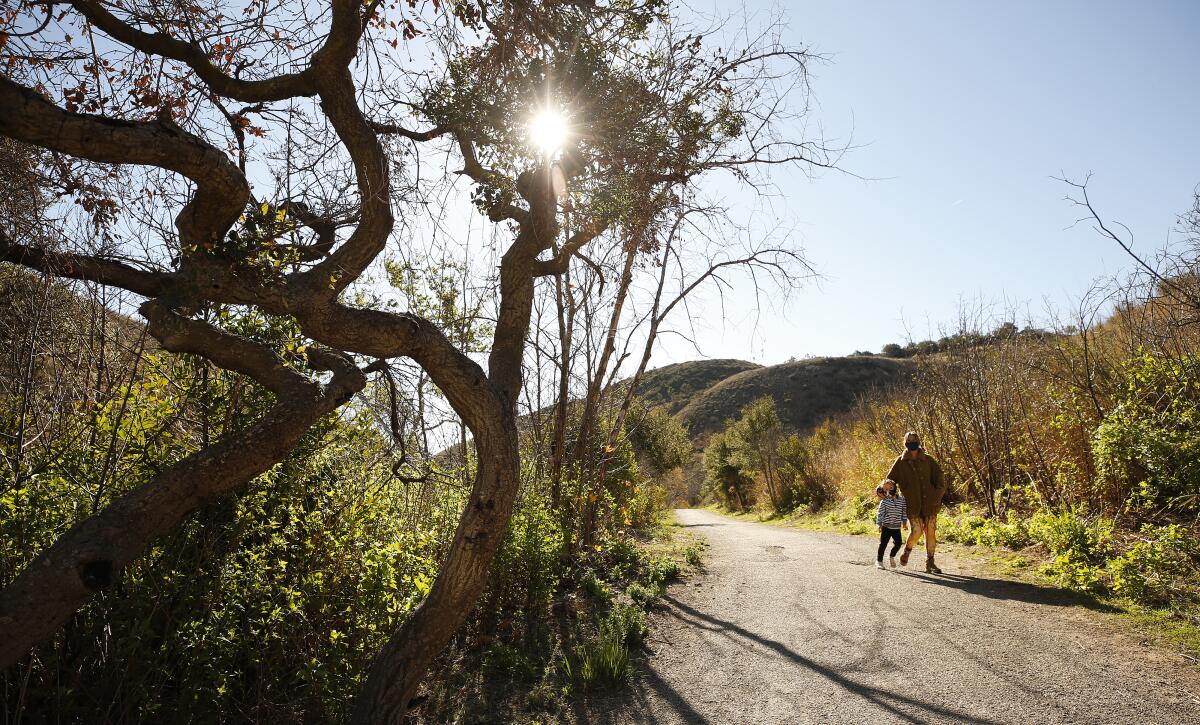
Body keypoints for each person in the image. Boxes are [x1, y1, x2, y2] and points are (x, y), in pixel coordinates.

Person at [885, 431, 947, 573]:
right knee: (916, 531)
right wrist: (886, 488)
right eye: (909, 440)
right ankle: (907, 550)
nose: (911, 442)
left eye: (914, 439)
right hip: (911, 504)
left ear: (918, 441)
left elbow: (940, 477)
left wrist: (938, 494)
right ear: (905, 442)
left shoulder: (928, 460)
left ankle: (930, 562)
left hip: (930, 502)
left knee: (930, 531)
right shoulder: (900, 462)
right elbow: (890, 480)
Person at [874, 479, 907, 569]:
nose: (889, 488)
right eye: (886, 488)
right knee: (883, 544)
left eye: (890, 486)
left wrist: (904, 522)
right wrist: (879, 524)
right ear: (885, 490)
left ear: (894, 487)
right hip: (886, 526)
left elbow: (904, 511)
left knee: (899, 543)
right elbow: (880, 513)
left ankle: (891, 556)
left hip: (896, 527)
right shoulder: (884, 501)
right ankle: (879, 561)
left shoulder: (901, 499)